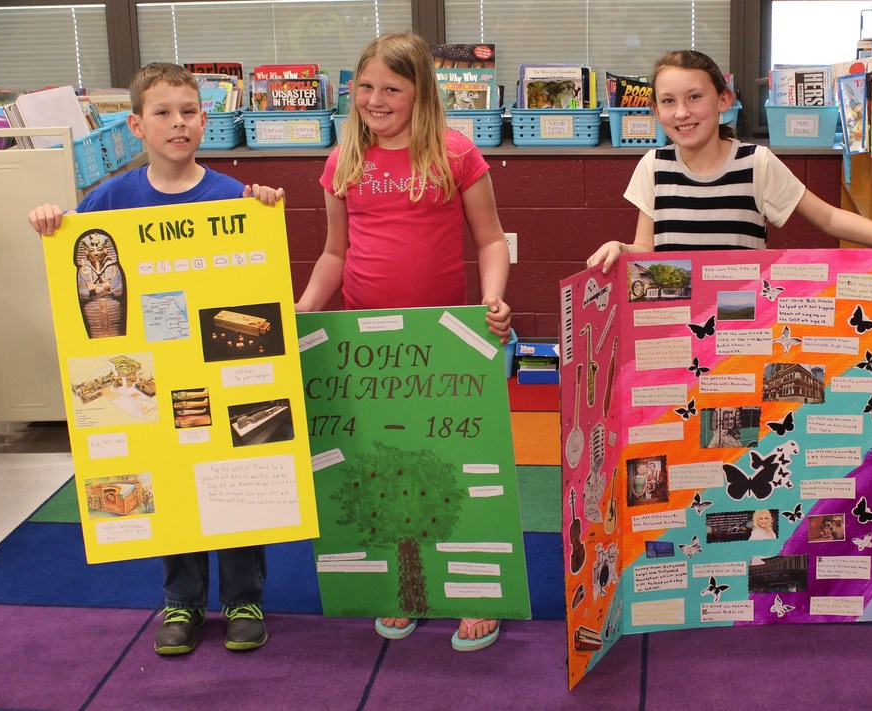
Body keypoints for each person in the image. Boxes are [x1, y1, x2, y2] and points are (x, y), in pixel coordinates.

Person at [28, 62, 286, 657]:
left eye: (189, 111)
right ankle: (182, 601)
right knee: (169, 480)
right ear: (136, 126)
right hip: (149, 371)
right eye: (163, 113)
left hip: (220, 364)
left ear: (205, 118)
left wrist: (264, 210)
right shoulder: (112, 199)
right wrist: (47, 221)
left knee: (234, 473)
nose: (178, 123)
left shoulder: (232, 197)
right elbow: (72, 256)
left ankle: (244, 597)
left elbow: (255, 275)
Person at [294, 31, 512, 652]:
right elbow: (335, 252)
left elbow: (490, 239)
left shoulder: (455, 153)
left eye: (391, 88)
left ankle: (477, 595)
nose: (375, 100)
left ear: (420, 93)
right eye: (365, 87)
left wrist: (492, 299)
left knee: (458, 466)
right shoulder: (345, 160)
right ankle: (401, 586)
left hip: (442, 338)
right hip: (365, 342)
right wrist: (307, 310)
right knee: (382, 467)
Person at [586, 50, 872, 273]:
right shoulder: (653, 166)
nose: (682, 112)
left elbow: (829, 217)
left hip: (741, 326)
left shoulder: (756, 163)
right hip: (674, 324)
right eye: (668, 101)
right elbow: (645, 249)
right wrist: (620, 248)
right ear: (655, 110)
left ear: (723, 100)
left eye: (695, 97)